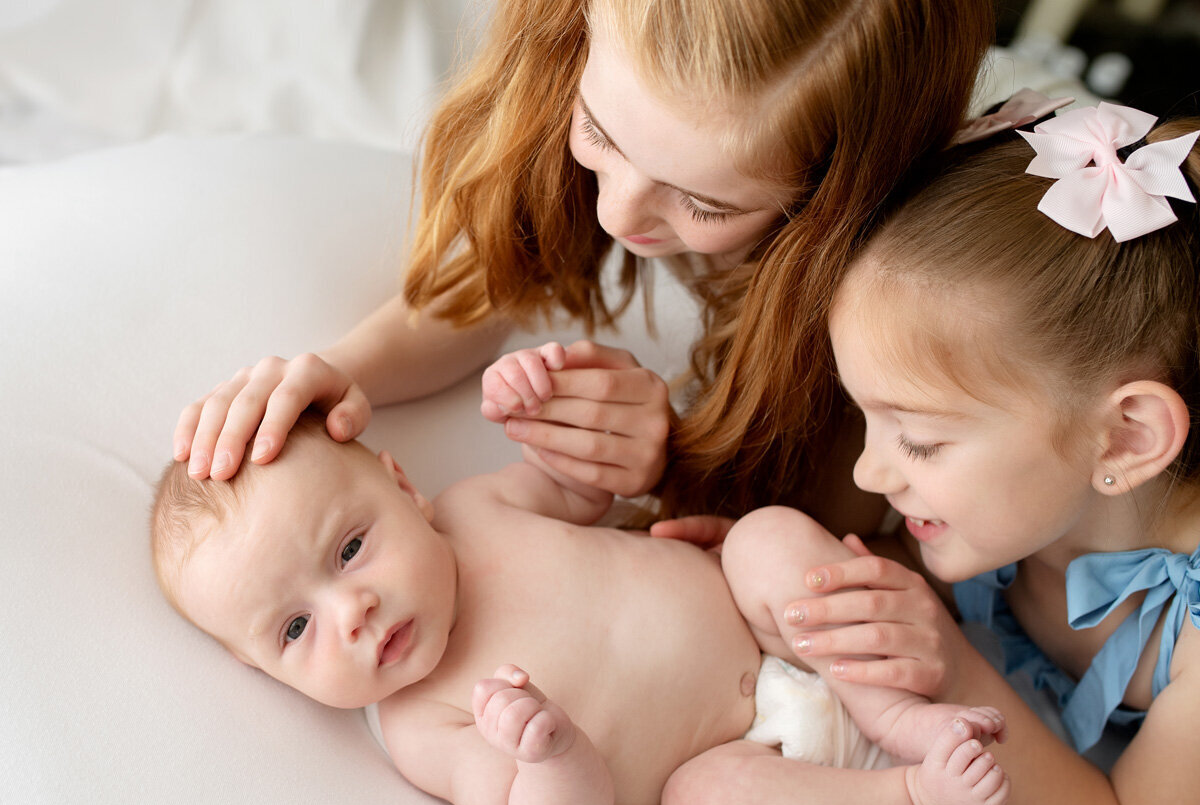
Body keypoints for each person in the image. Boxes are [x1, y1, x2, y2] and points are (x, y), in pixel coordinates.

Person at [172, 0, 994, 534]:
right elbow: (495, 282)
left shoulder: (888, 284)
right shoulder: (590, 56)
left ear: (831, 202)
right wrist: (349, 369)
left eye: (703, 205)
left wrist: (674, 464)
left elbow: (834, 524)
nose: (615, 215)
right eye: (600, 135)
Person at [151, 362, 1010, 805]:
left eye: (348, 552)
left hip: (763, 621)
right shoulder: (423, 725)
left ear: (404, 488)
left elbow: (588, 486)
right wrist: (550, 753)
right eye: (295, 630)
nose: (352, 611)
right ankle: (918, 796)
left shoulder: (477, 510)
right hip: (740, 759)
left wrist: (539, 401)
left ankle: (902, 719)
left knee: (765, 536)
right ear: (263, 672)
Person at [782, 104, 1200, 805]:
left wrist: (958, 670)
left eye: (922, 441)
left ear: (1125, 439)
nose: (871, 475)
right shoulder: (1015, 502)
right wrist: (772, 571)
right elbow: (877, 569)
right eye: (863, 416)